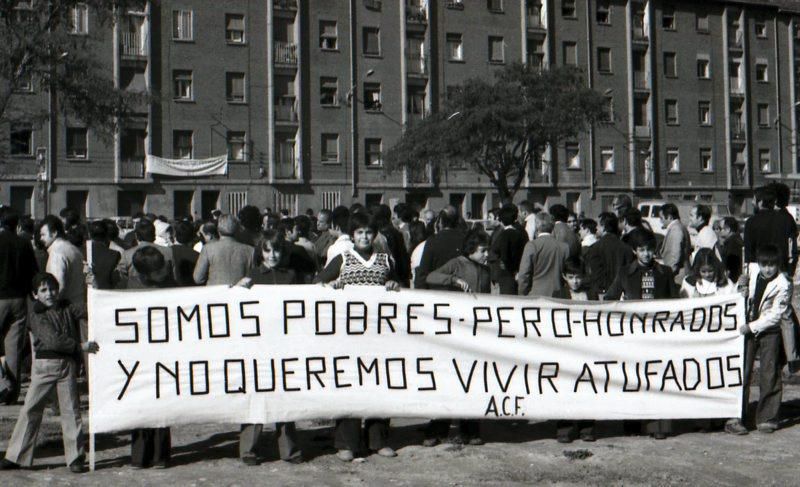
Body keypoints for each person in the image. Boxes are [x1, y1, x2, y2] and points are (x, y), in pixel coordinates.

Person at [314, 212, 400, 462]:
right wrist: (333, 287)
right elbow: (317, 283)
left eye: (369, 232)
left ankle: (379, 440)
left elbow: (398, 287)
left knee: (380, 385)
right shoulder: (343, 257)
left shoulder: (386, 260)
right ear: (352, 235)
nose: (364, 236)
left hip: (379, 335)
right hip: (348, 336)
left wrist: (395, 287)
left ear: (375, 235)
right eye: (360, 232)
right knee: (349, 386)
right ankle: (346, 443)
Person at [0, 273, 98, 473]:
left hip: (67, 365)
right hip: (46, 365)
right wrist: (80, 346)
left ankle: (75, 457)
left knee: (71, 410)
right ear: (35, 295)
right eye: (43, 290)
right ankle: (17, 455)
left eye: (52, 289)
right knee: (31, 409)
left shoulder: (67, 306)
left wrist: (93, 283)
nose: (49, 294)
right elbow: (53, 341)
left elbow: (90, 308)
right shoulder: (36, 313)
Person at [235, 231, 304, 465]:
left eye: (276, 250)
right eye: (267, 250)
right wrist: (238, 288)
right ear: (260, 252)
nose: (272, 255)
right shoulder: (253, 276)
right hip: (259, 347)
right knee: (256, 397)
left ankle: (290, 450)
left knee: (286, 397)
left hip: (285, 345)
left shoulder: (291, 276)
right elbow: (236, 307)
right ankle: (248, 450)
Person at [604, 228, 676, 439]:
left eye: (650, 250)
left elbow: (675, 304)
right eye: (642, 250)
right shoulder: (625, 272)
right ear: (635, 251)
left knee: (658, 379)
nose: (646, 254)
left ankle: (658, 426)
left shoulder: (665, 272)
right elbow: (611, 297)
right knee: (633, 378)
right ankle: (633, 423)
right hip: (633, 336)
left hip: (659, 335)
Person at [423, 229, 491, 447]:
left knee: (472, 381)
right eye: (483, 250)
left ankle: (470, 431)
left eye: (488, 250)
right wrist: (454, 281)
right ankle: (436, 430)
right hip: (453, 332)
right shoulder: (457, 263)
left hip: (475, 333)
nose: (487, 254)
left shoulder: (486, 270)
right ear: (471, 250)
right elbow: (430, 276)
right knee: (447, 380)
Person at [726, 244, 792, 435]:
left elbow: (775, 315)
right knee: (742, 372)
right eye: (764, 264)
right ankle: (737, 415)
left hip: (768, 331)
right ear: (759, 263)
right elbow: (739, 297)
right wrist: (741, 287)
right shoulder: (752, 271)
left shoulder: (783, 284)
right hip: (748, 329)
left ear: (778, 265)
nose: (768, 268)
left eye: (772, 265)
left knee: (769, 373)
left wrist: (751, 326)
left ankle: (767, 417)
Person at [129, 247, 175, 467]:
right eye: (159, 270)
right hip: (138, 355)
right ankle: (141, 455)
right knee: (140, 405)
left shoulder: (170, 285)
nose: (165, 271)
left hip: (163, 354)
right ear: (146, 274)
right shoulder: (129, 288)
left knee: (161, 405)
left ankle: (159, 455)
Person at [552, 257, 597, 443]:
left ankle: (587, 427)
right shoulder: (557, 294)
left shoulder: (591, 295)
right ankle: (565, 427)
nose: (575, 281)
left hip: (587, 348)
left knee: (588, 387)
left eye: (578, 277)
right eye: (571, 277)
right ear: (564, 277)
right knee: (565, 387)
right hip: (566, 350)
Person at [0, 208, 38, 404]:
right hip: (19, 299)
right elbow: (34, 272)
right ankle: (12, 393)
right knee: (13, 347)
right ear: (18, 225)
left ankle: (1, 385)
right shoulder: (24, 244)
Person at [517, 212, 570, 297]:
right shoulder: (564, 247)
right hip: (558, 293)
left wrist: (522, 293)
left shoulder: (532, 246)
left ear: (537, 226)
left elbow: (524, 274)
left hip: (536, 294)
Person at [193, 215, 254, 286]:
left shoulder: (208, 249)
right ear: (237, 230)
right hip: (239, 294)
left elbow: (198, 278)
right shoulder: (250, 250)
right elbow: (253, 277)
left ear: (218, 230)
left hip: (214, 293)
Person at [415, 206, 466, 290]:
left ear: (440, 222)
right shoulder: (465, 239)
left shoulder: (433, 241)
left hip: (438, 291)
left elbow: (423, 271)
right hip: (463, 290)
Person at [40, 215, 85, 306]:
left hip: (64, 308)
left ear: (54, 233)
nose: (41, 238)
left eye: (43, 235)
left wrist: (52, 306)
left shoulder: (57, 253)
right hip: (78, 304)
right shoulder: (74, 249)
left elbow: (58, 285)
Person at [583, 212, 632, 295]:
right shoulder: (626, 248)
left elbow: (594, 274)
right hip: (622, 293)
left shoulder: (594, 248)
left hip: (602, 293)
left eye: (598, 225)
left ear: (604, 227)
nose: (596, 228)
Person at [117, 220, 174, 289]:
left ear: (136, 236)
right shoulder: (168, 251)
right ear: (154, 234)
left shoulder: (127, 254)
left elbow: (121, 277)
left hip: (135, 291)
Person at [488, 204, 528, 295]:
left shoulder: (505, 234)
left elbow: (503, 253)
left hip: (507, 273)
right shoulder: (521, 231)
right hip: (519, 270)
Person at [658, 203, 691, 283]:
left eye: (661, 218)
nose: (660, 221)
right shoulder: (678, 227)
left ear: (669, 217)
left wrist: (669, 273)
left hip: (677, 274)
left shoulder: (676, 229)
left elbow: (675, 255)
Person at [170, 221, 199, 287]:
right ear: (192, 237)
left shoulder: (166, 251)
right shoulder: (196, 255)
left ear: (175, 234)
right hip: (189, 289)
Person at [718, 216, 744, 283]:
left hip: (733, 280)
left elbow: (731, 266)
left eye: (720, 228)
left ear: (728, 229)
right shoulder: (736, 240)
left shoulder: (732, 243)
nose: (718, 231)